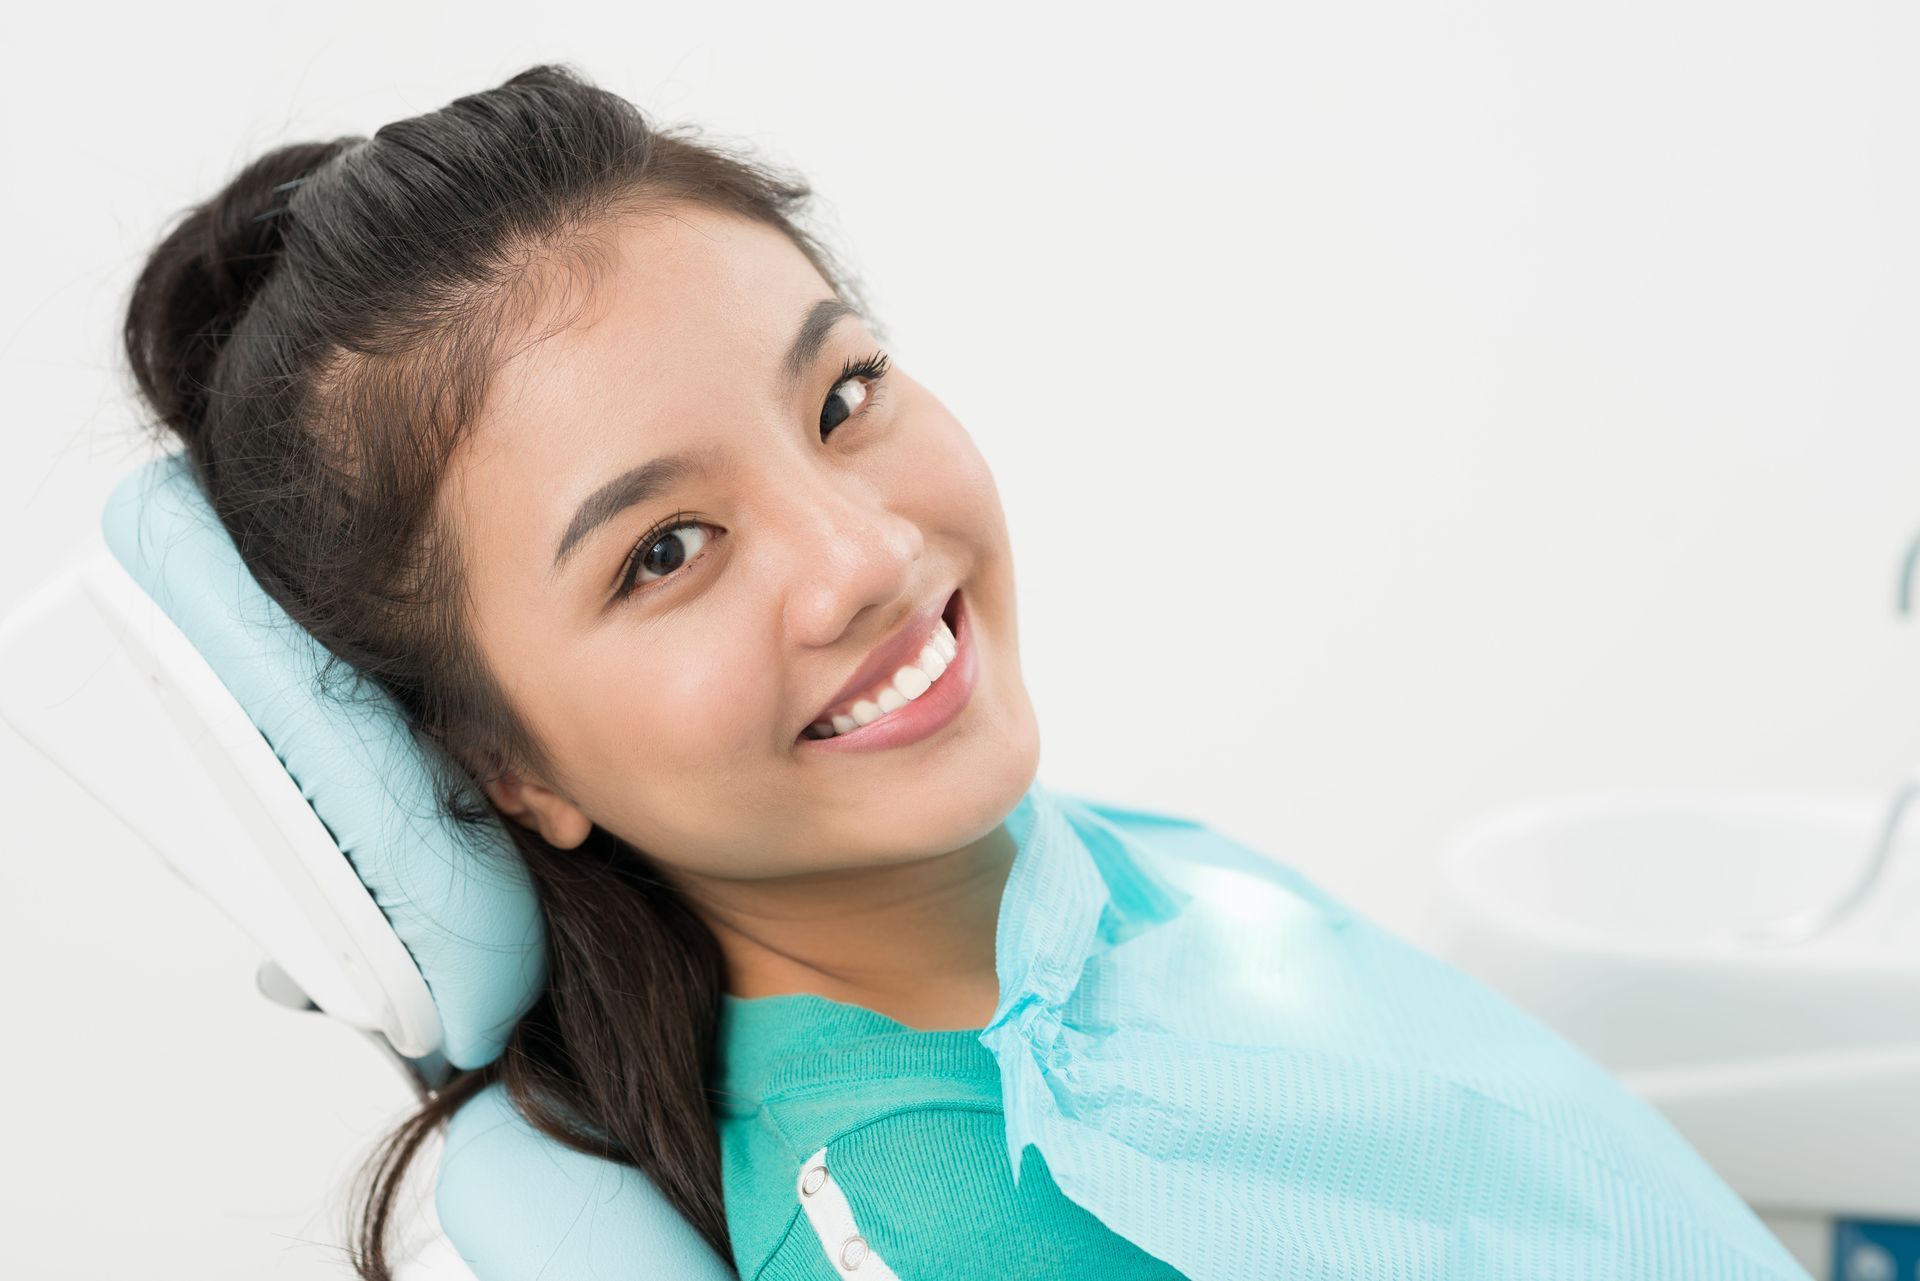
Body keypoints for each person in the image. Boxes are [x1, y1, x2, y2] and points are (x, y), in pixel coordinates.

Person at [120, 62, 1813, 1281]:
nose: (861, 555)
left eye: (840, 396)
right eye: (664, 552)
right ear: (507, 762)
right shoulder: (927, 1225)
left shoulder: (1072, 882)